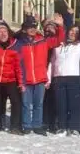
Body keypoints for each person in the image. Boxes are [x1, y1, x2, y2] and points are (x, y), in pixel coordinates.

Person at [14, 7, 64, 135]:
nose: (33, 29)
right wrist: (21, 81)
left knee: (38, 104)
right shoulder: (19, 43)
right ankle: (26, 125)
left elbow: (58, 40)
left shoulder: (43, 41)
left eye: (34, 26)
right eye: (30, 27)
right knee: (26, 104)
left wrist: (60, 26)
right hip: (26, 80)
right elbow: (18, 63)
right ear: (25, 29)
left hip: (40, 79)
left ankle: (37, 125)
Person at [47, 11, 80, 136]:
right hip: (59, 78)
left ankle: (74, 128)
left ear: (79, 34)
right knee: (61, 104)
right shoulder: (58, 45)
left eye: (75, 32)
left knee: (74, 104)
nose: (72, 33)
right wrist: (49, 78)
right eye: (71, 31)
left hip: (75, 78)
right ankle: (62, 127)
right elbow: (52, 63)